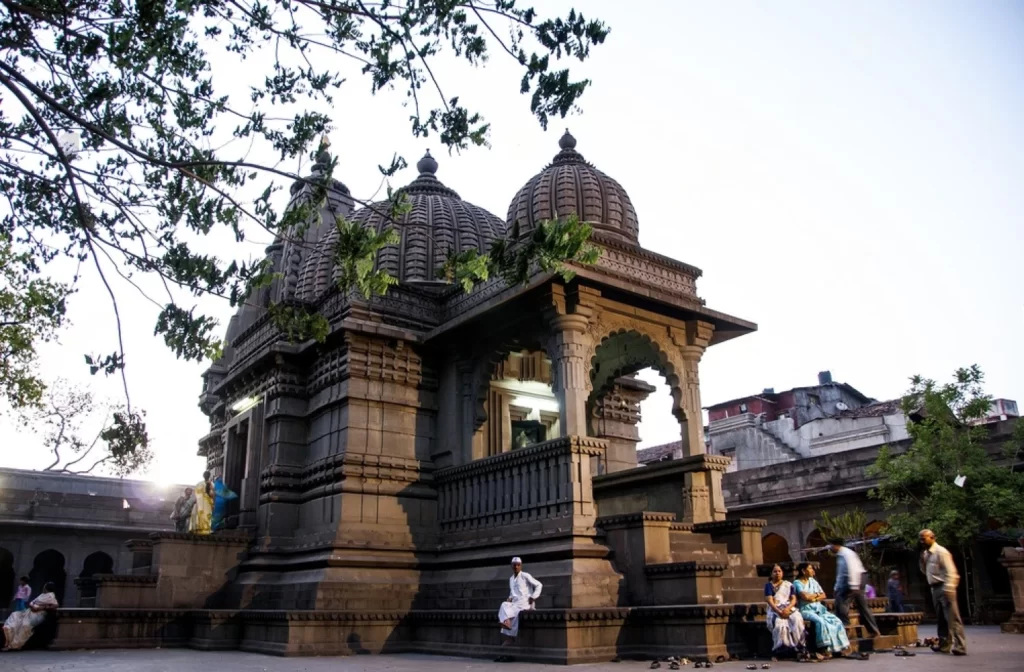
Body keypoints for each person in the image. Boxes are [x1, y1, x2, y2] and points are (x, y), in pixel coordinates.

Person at [919, 529, 966, 656]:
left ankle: (960, 646)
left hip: (944, 587)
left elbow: (952, 573)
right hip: (934, 587)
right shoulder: (926, 554)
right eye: (920, 539)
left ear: (932, 538)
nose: (921, 541)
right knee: (941, 619)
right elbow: (926, 571)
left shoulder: (941, 552)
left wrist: (948, 589)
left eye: (924, 538)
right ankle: (944, 645)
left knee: (952, 618)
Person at [793, 563, 850, 658]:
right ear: (803, 571)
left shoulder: (813, 581)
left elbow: (823, 595)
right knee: (821, 622)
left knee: (837, 621)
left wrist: (813, 598)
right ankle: (824, 648)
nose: (813, 571)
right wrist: (815, 595)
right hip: (806, 610)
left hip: (819, 608)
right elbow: (805, 596)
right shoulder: (797, 583)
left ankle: (839, 648)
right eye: (810, 568)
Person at [828, 537, 881, 638]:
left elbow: (852, 569)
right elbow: (841, 573)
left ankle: (845, 628)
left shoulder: (846, 554)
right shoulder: (842, 554)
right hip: (854, 580)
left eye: (831, 546)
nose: (830, 548)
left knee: (841, 603)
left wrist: (854, 585)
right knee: (862, 606)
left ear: (835, 545)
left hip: (855, 580)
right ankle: (873, 630)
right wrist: (836, 587)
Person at [495, 556, 542, 662]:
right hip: (515, 604)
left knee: (511, 612)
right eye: (514, 565)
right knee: (504, 604)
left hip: (524, 603)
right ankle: (507, 625)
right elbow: (513, 592)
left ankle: (508, 631)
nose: (516, 567)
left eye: (518, 565)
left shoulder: (525, 576)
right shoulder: (511, 579)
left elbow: (539, 585)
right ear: (511, 566)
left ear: (521, 566)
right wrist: (510, 598)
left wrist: (533, 596)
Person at [764, 564, 806, 659]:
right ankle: (780, 651)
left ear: (782, 573)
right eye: (775, 571)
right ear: (771, 574)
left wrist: (787, 609)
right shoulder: (768, 586)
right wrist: (779, 611)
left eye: (779, 571)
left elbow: (794, 599)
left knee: (797, 620)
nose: (777, 573)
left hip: (789, 608)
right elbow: (770, 601)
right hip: (774, 609)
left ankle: (799, 648)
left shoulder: (788, 585)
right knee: (780, 625)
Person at [2, 581, 58, 651]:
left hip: (38, 615)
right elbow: (32, 602)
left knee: (25, 625)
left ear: (46, 588)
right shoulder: (42, 595)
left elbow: (55, 605)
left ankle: (15, 645)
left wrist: (40, 608)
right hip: (29, 612)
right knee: (15, 616)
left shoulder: (51, 596)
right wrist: (32, 606)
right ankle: (9, 641)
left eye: (45, 586)